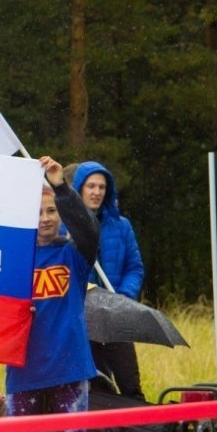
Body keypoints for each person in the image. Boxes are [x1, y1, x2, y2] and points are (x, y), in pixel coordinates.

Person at [3, 155, 100, 432]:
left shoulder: (75, 254)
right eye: (38, 212)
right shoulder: (13, 259)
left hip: (69, 366)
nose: (44, 219)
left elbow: (88, 230)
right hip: (23, 367)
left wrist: (60, 187)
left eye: (50, 212)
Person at [72, 161, 146, 401]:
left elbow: (135, 267)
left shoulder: (121, 226)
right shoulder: (66, 226)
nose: (96, 192)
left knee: (130, 385)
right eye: (91, 186)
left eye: (101, 187)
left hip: (117, 316)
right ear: (80, 189)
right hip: (82, 320)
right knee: (94, 388)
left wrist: (123, 295)